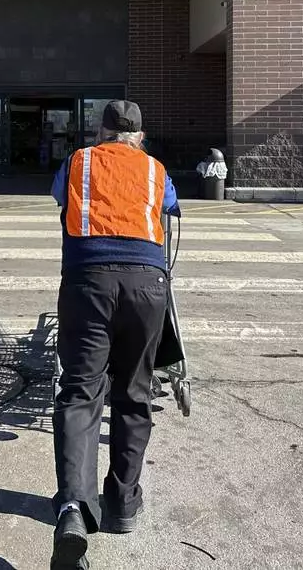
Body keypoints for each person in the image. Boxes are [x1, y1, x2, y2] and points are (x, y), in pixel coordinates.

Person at [48, 100, 180, 570]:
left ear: (100, 132)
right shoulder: (154, 169)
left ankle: (73, 509)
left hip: (88, 284)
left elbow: (61, 202)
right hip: (147, 287)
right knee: (134, 392)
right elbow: (170, 208)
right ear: (139, 137)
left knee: (80, 392)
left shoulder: (77, 163)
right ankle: (122, 504)